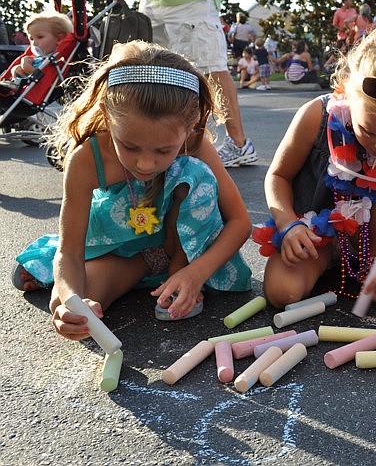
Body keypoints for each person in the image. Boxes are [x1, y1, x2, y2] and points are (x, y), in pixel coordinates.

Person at [12, 42, 252, 331]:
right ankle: (142, 266)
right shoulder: (88, 158)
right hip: (118, 247)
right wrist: (70, 301)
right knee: (75, 307)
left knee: (194, 174)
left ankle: (175, 269)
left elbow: (240, 222)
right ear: (108, 116)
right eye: (129, 146)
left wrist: (195, 273)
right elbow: (71, 252)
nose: (146, 164)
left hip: (180, 250)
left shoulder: (194, 142)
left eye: (163, 151)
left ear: (190, 126)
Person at [256, 25, 376, 309]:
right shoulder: (315, 116)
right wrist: (289, 225)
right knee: (282, 293)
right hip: (315, 232)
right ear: (348, 88)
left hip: (374, 239)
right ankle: (330, 258)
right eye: (368, 131)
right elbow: (278, 176)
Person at [83, 0, 258, 169]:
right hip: (155, 0)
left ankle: (239, 145)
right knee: (149, 70)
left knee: (210, 70)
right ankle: (175, 144)